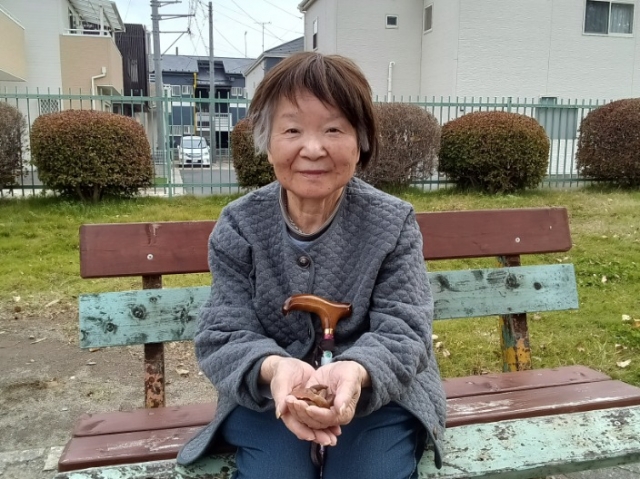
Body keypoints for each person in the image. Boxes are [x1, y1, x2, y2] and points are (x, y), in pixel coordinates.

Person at [177, 51, 446, 479]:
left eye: (334, 129)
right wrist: (276, 368)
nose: (314, 148)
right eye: (292, 130)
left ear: (360, 142)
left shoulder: (393, 222)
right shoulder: (240, 225)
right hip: (268, 396)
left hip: (378, 392)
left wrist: (356, 370)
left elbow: (405, 328)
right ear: (268, 144)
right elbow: (223, 332)